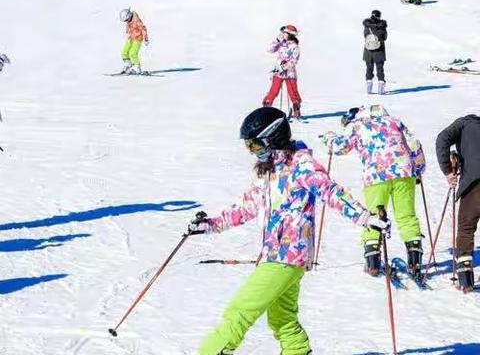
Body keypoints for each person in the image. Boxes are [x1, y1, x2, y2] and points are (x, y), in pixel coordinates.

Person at [188, 106, 390, 355]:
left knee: (238, 312)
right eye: (249, 147)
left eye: (255, 146)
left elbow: (330, 191)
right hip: (276, 255)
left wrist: (364, 217)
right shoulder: (267, 171)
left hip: (287, 255)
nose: (253, 153)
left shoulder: (301, 164)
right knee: (282, 318)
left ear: (274, 138)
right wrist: (210, 224)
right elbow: (246, 207)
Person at [319, 105, 426, 279]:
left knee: (375, 216)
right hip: (405, 173)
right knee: (406, 216)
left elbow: (340, 147)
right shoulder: (395, 121)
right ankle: (415, 262)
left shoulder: (358, 125)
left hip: (376, 174)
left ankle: (373, 262)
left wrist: (328, 138)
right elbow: (414, 145)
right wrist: (419, 168)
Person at [436, 115, 480, 293]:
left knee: (466, 228)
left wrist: (448, 171)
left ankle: (465, 280)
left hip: (475, 181)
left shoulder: (462, 124)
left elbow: (442, 139)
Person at [262, 25, 302, 119]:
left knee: (293, 92)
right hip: (278, 72)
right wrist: (277, 40)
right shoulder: (280, 43)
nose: (282, 35)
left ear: (290, 35)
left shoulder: (295, 47)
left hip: (289, 73)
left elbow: (294, 60)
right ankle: (266, 108)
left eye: (284, 33)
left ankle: (296, 110)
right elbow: (270, 50)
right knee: (273, 90)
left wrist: (285, 67)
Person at [363, 10, 388, 95]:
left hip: (368, 50)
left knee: (369, 68)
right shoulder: (382, 26)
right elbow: (384, 37)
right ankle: (381, 87)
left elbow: (365, 35)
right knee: (380, 68)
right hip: (379, 50)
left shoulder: (367, 26)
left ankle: (369, 88)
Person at [119, 8, 149, 75]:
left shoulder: (137, 21)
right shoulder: (129, 21)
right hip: (130, 37)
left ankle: (137, 67)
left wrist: (146, 38)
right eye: (125, 21)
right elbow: (128, 27)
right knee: (124, 52)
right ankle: (128, 65)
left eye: (127, 20)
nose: (126, 21)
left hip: (137, 38)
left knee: (133, 53)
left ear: (129, 16)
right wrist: (127, 32)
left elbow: (143, 29)